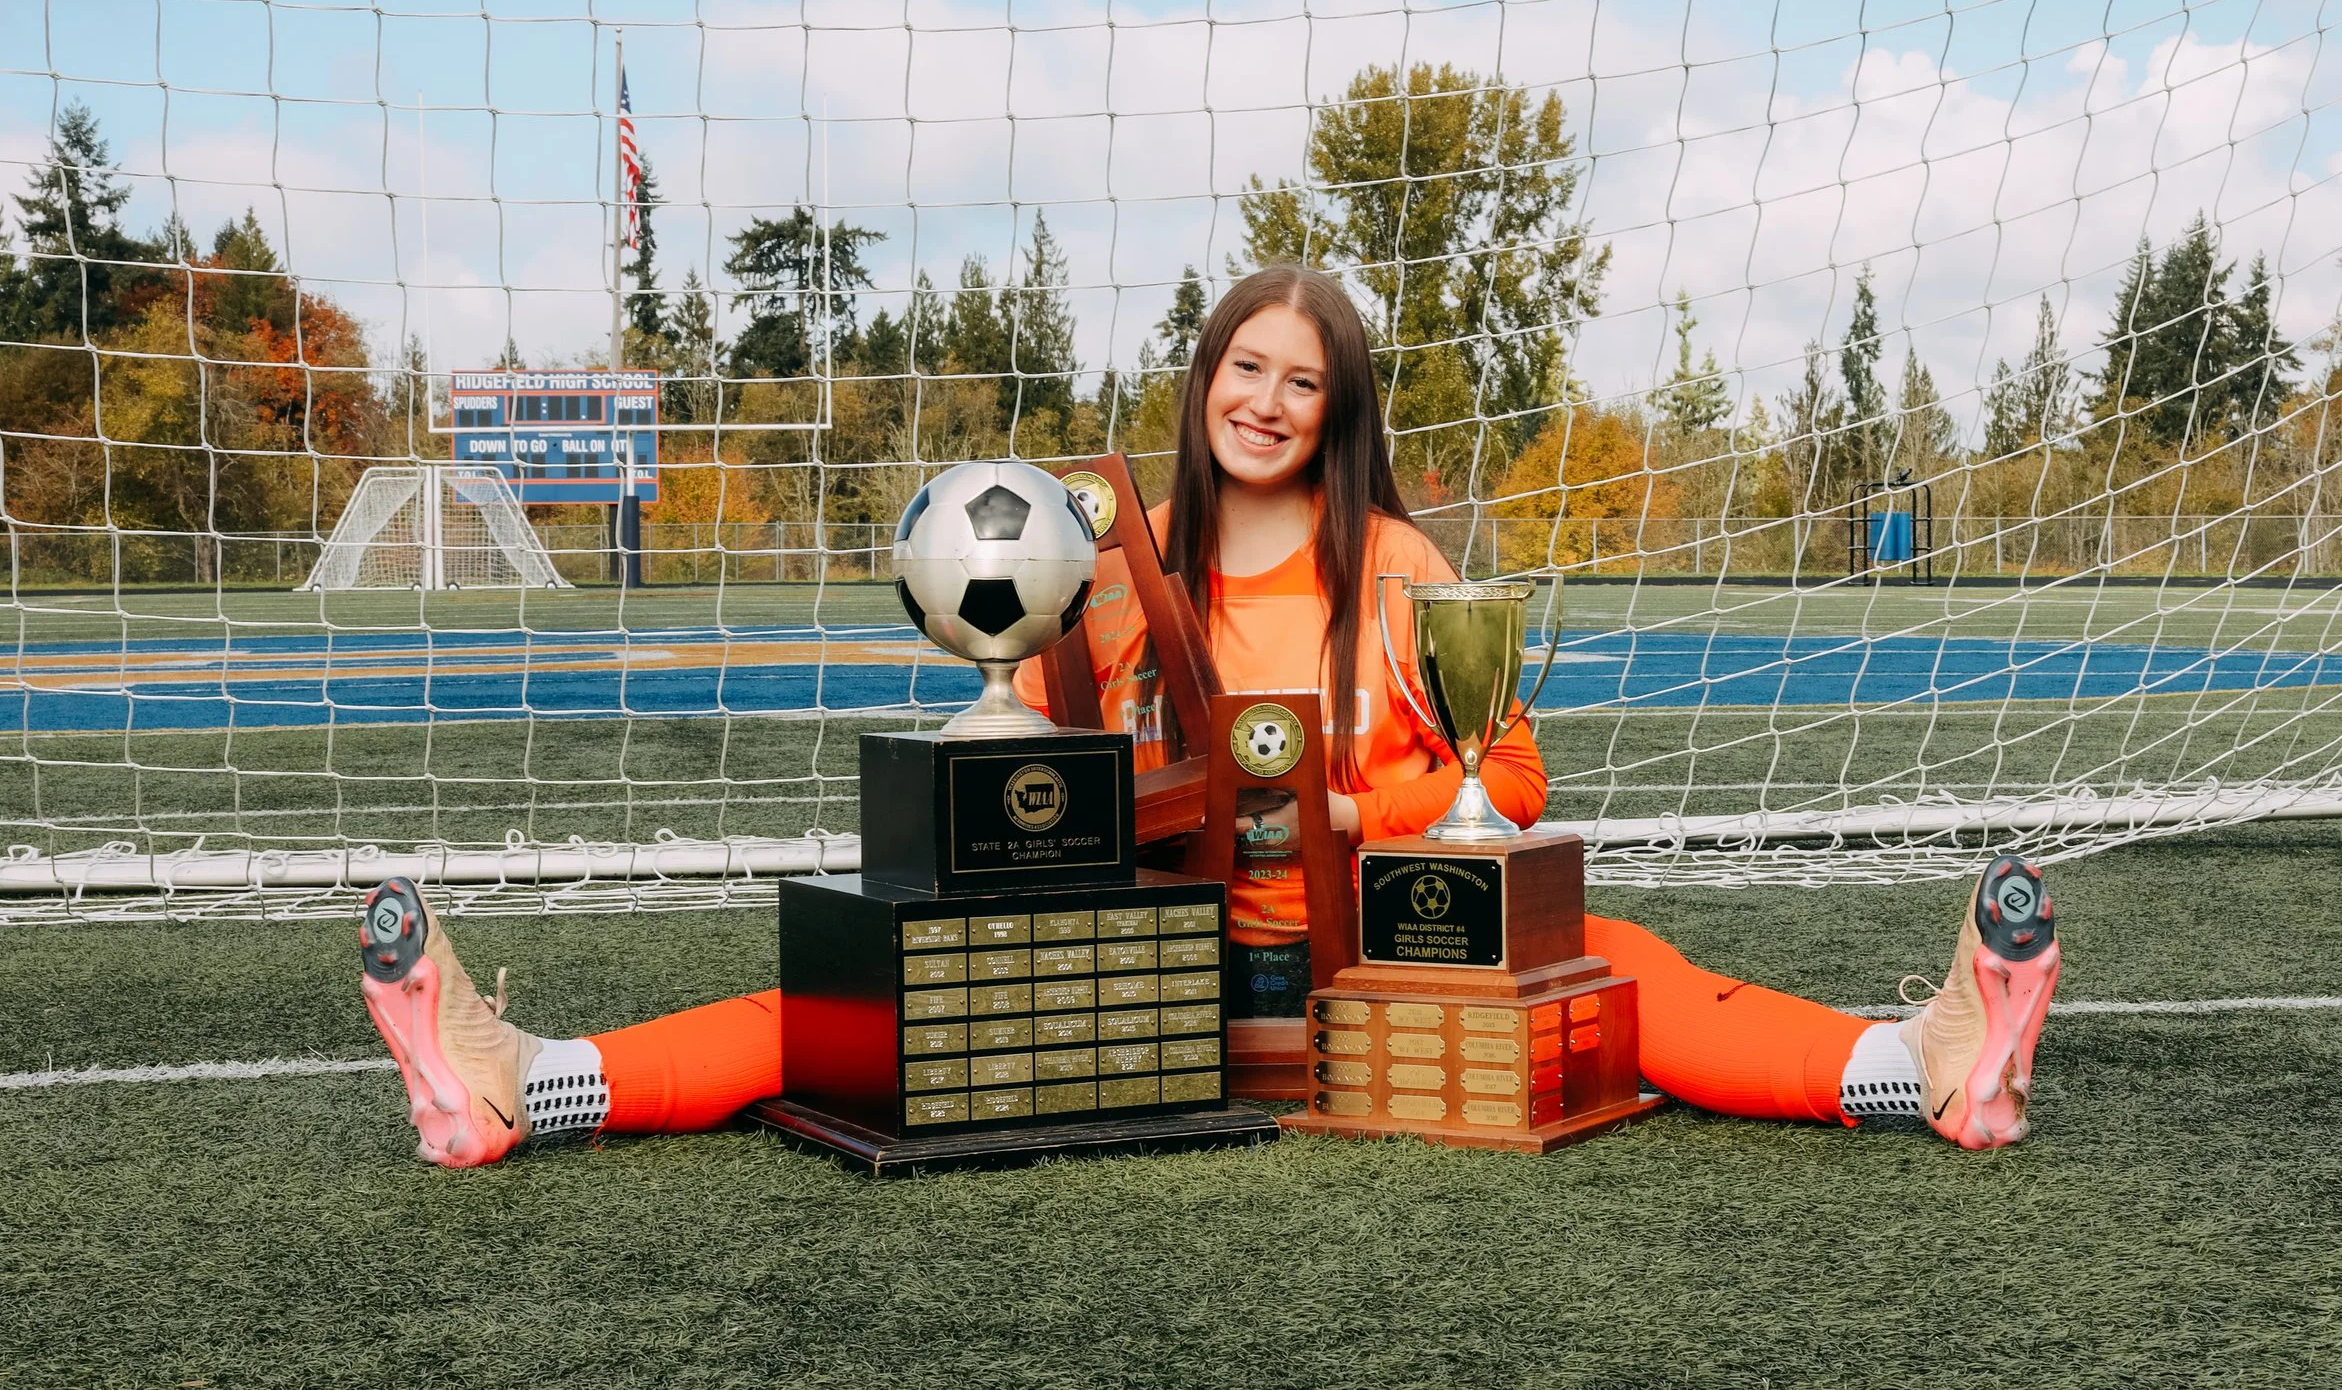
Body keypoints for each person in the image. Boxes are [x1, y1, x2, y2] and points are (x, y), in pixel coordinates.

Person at [357, 267, 2061, 1168]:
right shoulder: (1104, 560)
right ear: (1204, 383)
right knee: (856, 1001)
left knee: (1621, 971)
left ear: (1338, 412)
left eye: (1301, 380)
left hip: (1370, 969)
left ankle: (1922, 1067)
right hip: (1160, 974)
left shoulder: (1399, 560)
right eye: (1245, 367)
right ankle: (531, 1081)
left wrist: (1388, 804)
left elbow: (1513, 783)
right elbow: (1036, 764)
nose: (1266, 399)